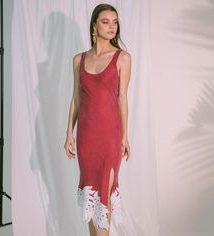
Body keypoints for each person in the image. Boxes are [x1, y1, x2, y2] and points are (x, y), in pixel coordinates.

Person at [64, 3, 131, 236]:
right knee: (91, 197)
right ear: (95, 25)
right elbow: (76, 99)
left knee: (105, 194)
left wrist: (124, 136)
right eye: (106, 21)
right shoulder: (78, 60)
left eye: (115, 22)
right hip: (86, 138)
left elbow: (122, 98)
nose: (112, 26)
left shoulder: (122, 58)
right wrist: (68, 134)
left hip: (110, 137)